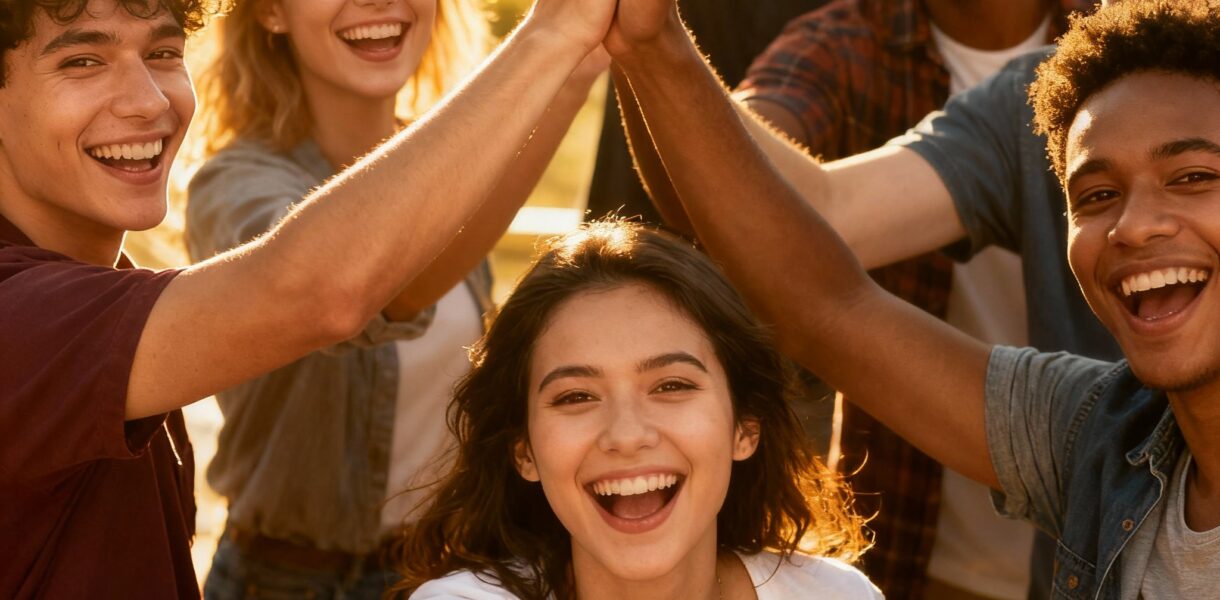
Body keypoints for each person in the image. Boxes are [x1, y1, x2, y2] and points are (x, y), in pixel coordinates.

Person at [0, 0, 618, 595]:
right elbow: (317, 293)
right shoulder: (20, 314)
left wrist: (575, 61)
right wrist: (553, 32)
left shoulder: (96, 291)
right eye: (82, 62)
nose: (148, 101)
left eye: (163, 52)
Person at [610, 0, 1220, 596]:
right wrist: (650, 43)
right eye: (1096, 196)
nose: (1133, 226)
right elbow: (823, 308)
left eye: (1194, 177)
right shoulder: (1098, 438)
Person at [184, 0, 605, 595]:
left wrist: (578, 69)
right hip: (293, 583)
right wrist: (554, 53)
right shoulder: (234, 186)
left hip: (445, 569)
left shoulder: (452, 160)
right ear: (272, 12)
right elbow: (375, 290)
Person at [733, 1, 1089, 597]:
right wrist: (653, 53)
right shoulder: (846, 41)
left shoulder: (1127, 44)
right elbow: (759, 195)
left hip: (1104, 537)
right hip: (925, 544)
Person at [394, 221, 880, 600]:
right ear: (523, 450)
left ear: (745, 427)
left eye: (671, 385)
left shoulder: (838, 594)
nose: (626, 435)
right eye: (576, 396)